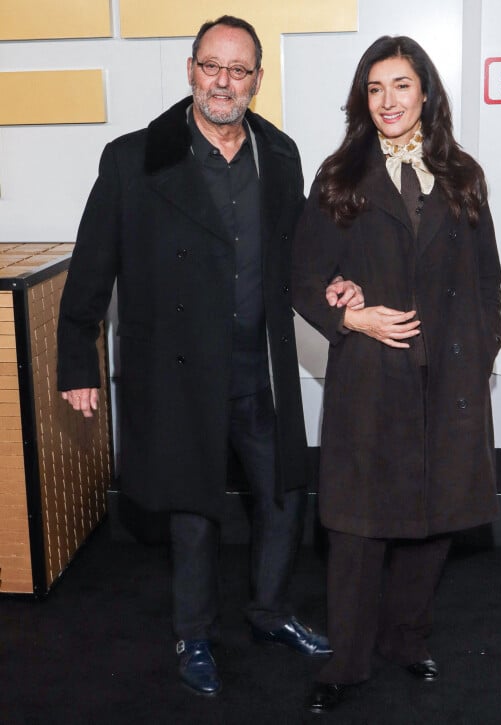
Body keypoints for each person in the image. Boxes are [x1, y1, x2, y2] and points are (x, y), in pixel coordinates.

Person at [57, 15, 363, 697]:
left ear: (257, 80)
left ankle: (270, 612)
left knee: (283, 494)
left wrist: (338, 284)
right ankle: (193, 632)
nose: (223, 81)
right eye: (211, 65)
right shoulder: (134, 158)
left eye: (239, 69)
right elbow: (93, 266)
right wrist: (78, 358)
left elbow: (302, 254)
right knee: (192, 510)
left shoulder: (280, 155)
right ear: (192, 70)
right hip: (179, 373)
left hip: (262, 368)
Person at [291, 35, 501, 714]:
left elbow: (489, 278)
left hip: (449, 380)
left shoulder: (462, 175)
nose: (388, 100)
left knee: (437, 517)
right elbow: (303, 278)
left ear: (426, 93)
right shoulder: (340, 176)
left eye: (402, 86)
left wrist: (482, 346)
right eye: (375, 88)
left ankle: (406, 640)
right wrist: (353, 320)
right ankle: (346, 662)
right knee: (356, 528)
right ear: (363, 97)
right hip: (370, 380)